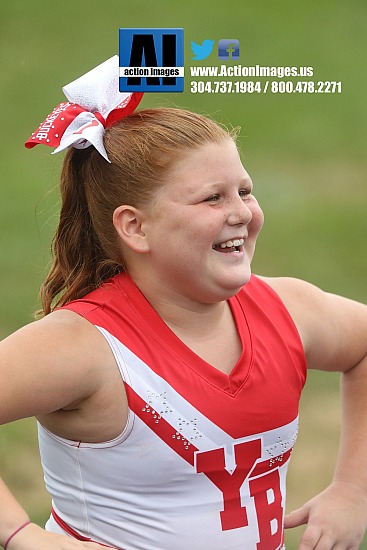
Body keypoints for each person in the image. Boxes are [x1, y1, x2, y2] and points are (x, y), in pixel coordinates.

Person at [1, 56, 367, 550]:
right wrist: (20, 534)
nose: (241, 212)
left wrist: (352, 491)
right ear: (135, 226)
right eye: (211, 199)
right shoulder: (86, 346)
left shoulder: (289, 310)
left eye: (244, 190)